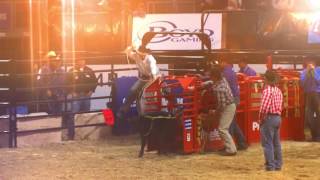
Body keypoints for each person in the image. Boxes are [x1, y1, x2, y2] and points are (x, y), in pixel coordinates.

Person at [116, 46, 160, 120]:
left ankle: (149, 116)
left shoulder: (150, 58)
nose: (140, 54)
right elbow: (127, 51)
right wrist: (131, 47)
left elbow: (154, 70)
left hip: (153, 79)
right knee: (132, 91)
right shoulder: (136, 55)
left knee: (148, 97)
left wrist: (155, 80)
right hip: (143, 79)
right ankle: (123, 111)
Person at [203, 66, 237, 156]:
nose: (210, 77)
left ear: (214, 76)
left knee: (222, 129)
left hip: (228, 107)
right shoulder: (222, 80)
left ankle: (231, 150)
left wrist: (214, 112)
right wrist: (205, 83)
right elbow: (212, 82)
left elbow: (221, 105)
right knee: (224, 128)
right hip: (229, 105)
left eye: (211, 76)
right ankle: (228, 146)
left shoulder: (219, 89)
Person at [63, 58, 97, 140]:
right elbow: (66, 83)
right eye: (79, 60)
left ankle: (84, 135)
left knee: (86, 115)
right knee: (73, 115)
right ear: (76, 61)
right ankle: (71, 135)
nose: (81, 62)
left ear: (85, 61)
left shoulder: (89, 70)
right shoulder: (71, 71)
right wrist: (71, 92)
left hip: (86, 96)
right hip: (76, 96)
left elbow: (95, 82)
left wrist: (91, 90)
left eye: (82, 60)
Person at [220, 59, 248, 150]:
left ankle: (230, 146)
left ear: (225, 62)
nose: (220, 64)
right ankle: (242, 143)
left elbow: (221, 84)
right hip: (235, 98)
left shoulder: (226, 72)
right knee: (233, 122)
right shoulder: (231, 71)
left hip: (231, 99)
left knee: (230, 123)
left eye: (221, 62)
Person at [258, 70, 283, 171]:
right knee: (276, 142)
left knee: (267, 143)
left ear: (266, 79)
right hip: (277, 117)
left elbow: (264, 108)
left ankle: (270, 165)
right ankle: (278, 164)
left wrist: (260, 119)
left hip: (269, 118)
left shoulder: (267, 91)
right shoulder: (278, 90)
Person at [300, 58, 320, 142]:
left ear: (314, 64)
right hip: (308, 94)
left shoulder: (318, 70)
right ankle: (314, 135)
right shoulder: (304, 72)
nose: (310, 65)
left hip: (317, 94)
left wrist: (313, 72)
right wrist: (308, 72)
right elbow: (302, 84)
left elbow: (319, 81)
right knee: (310, 115)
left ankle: (318, 135)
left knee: (318, 114)